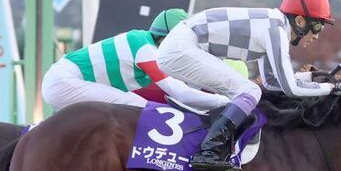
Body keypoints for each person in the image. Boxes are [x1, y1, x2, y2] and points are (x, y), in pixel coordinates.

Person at [156, 0, 341, 171]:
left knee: (239, 98)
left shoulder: (273, 24)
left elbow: (272, 83)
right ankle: (209, 151)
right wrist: (330, 88)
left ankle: (208, 145)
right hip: (182, 47)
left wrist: (310, 77)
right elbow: (290, 89)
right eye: (317, 26)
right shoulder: (276, 31)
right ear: (300, 21)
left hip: (182, 45)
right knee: (249, 91)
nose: (317, 35)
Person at [41, 9, 230, 113]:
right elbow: (180, 93)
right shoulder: (146, 50)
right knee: (140, 107)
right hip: (63, 82)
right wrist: (227, 102)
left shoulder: (144, 42)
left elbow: (187, 84)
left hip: (62, 79)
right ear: (170, 37)